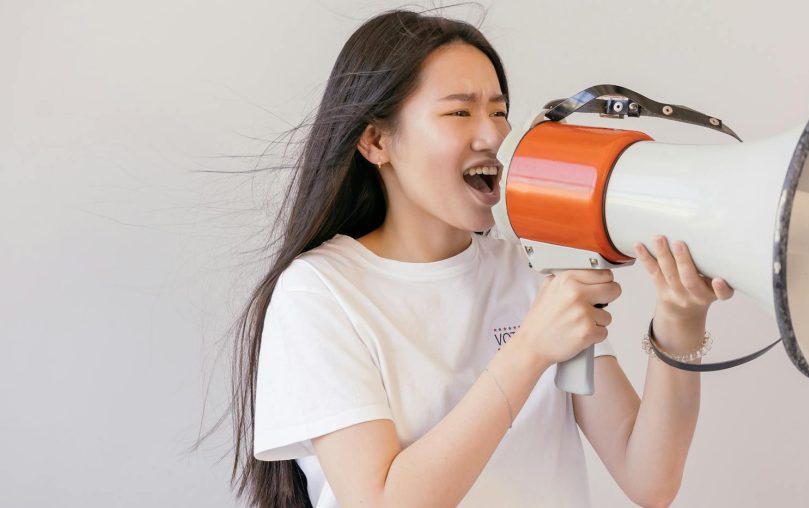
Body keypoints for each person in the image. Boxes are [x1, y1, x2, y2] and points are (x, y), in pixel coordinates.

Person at [229, 9, 735, 508]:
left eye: (498, 111)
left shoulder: (532, 266)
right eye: (459, 111)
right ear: (376, 140)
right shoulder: (320, 293)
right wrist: (530, 349)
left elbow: (651, 481)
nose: (495, 135)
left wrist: (679, 324)